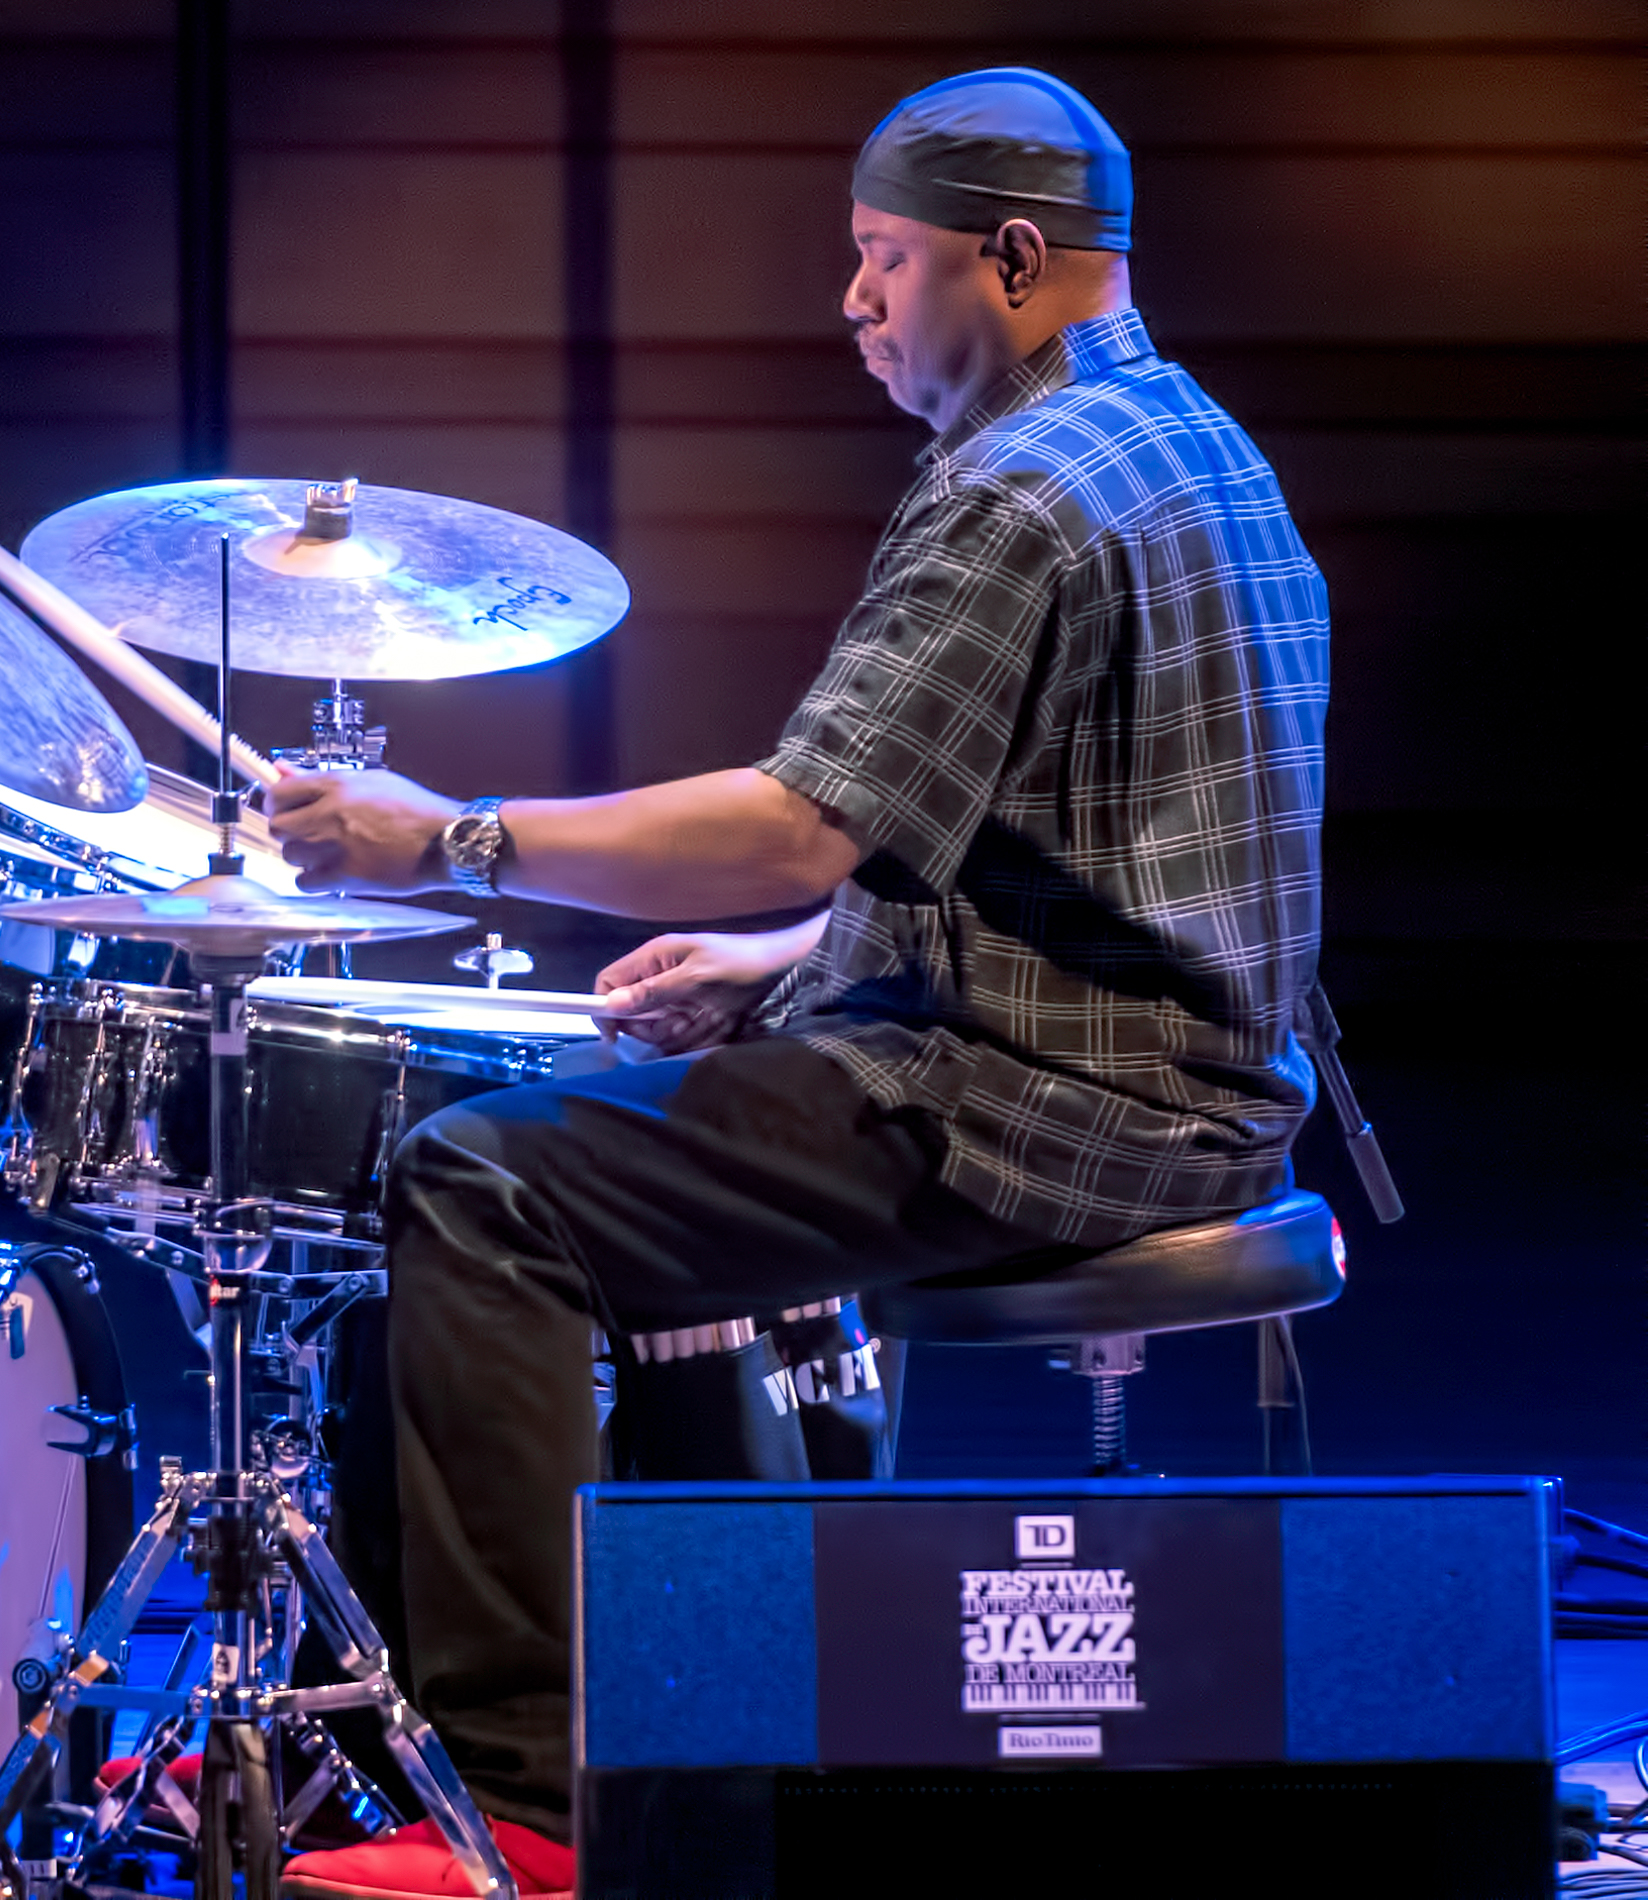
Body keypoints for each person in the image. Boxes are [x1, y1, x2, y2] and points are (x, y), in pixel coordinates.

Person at [269, 67, 1328, 1900]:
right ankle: (701, 1725)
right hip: (1172, 1071)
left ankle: (532, 1810)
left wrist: (451, 836)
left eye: (880, 257)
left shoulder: (1015, 493)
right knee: (583, 1135)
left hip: (1056, 1108)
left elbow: (793, 828)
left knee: (480, 1178)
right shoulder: (1192, 443)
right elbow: (1061, 843)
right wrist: (787, 966)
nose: (851, 300)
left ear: (1007, 260)